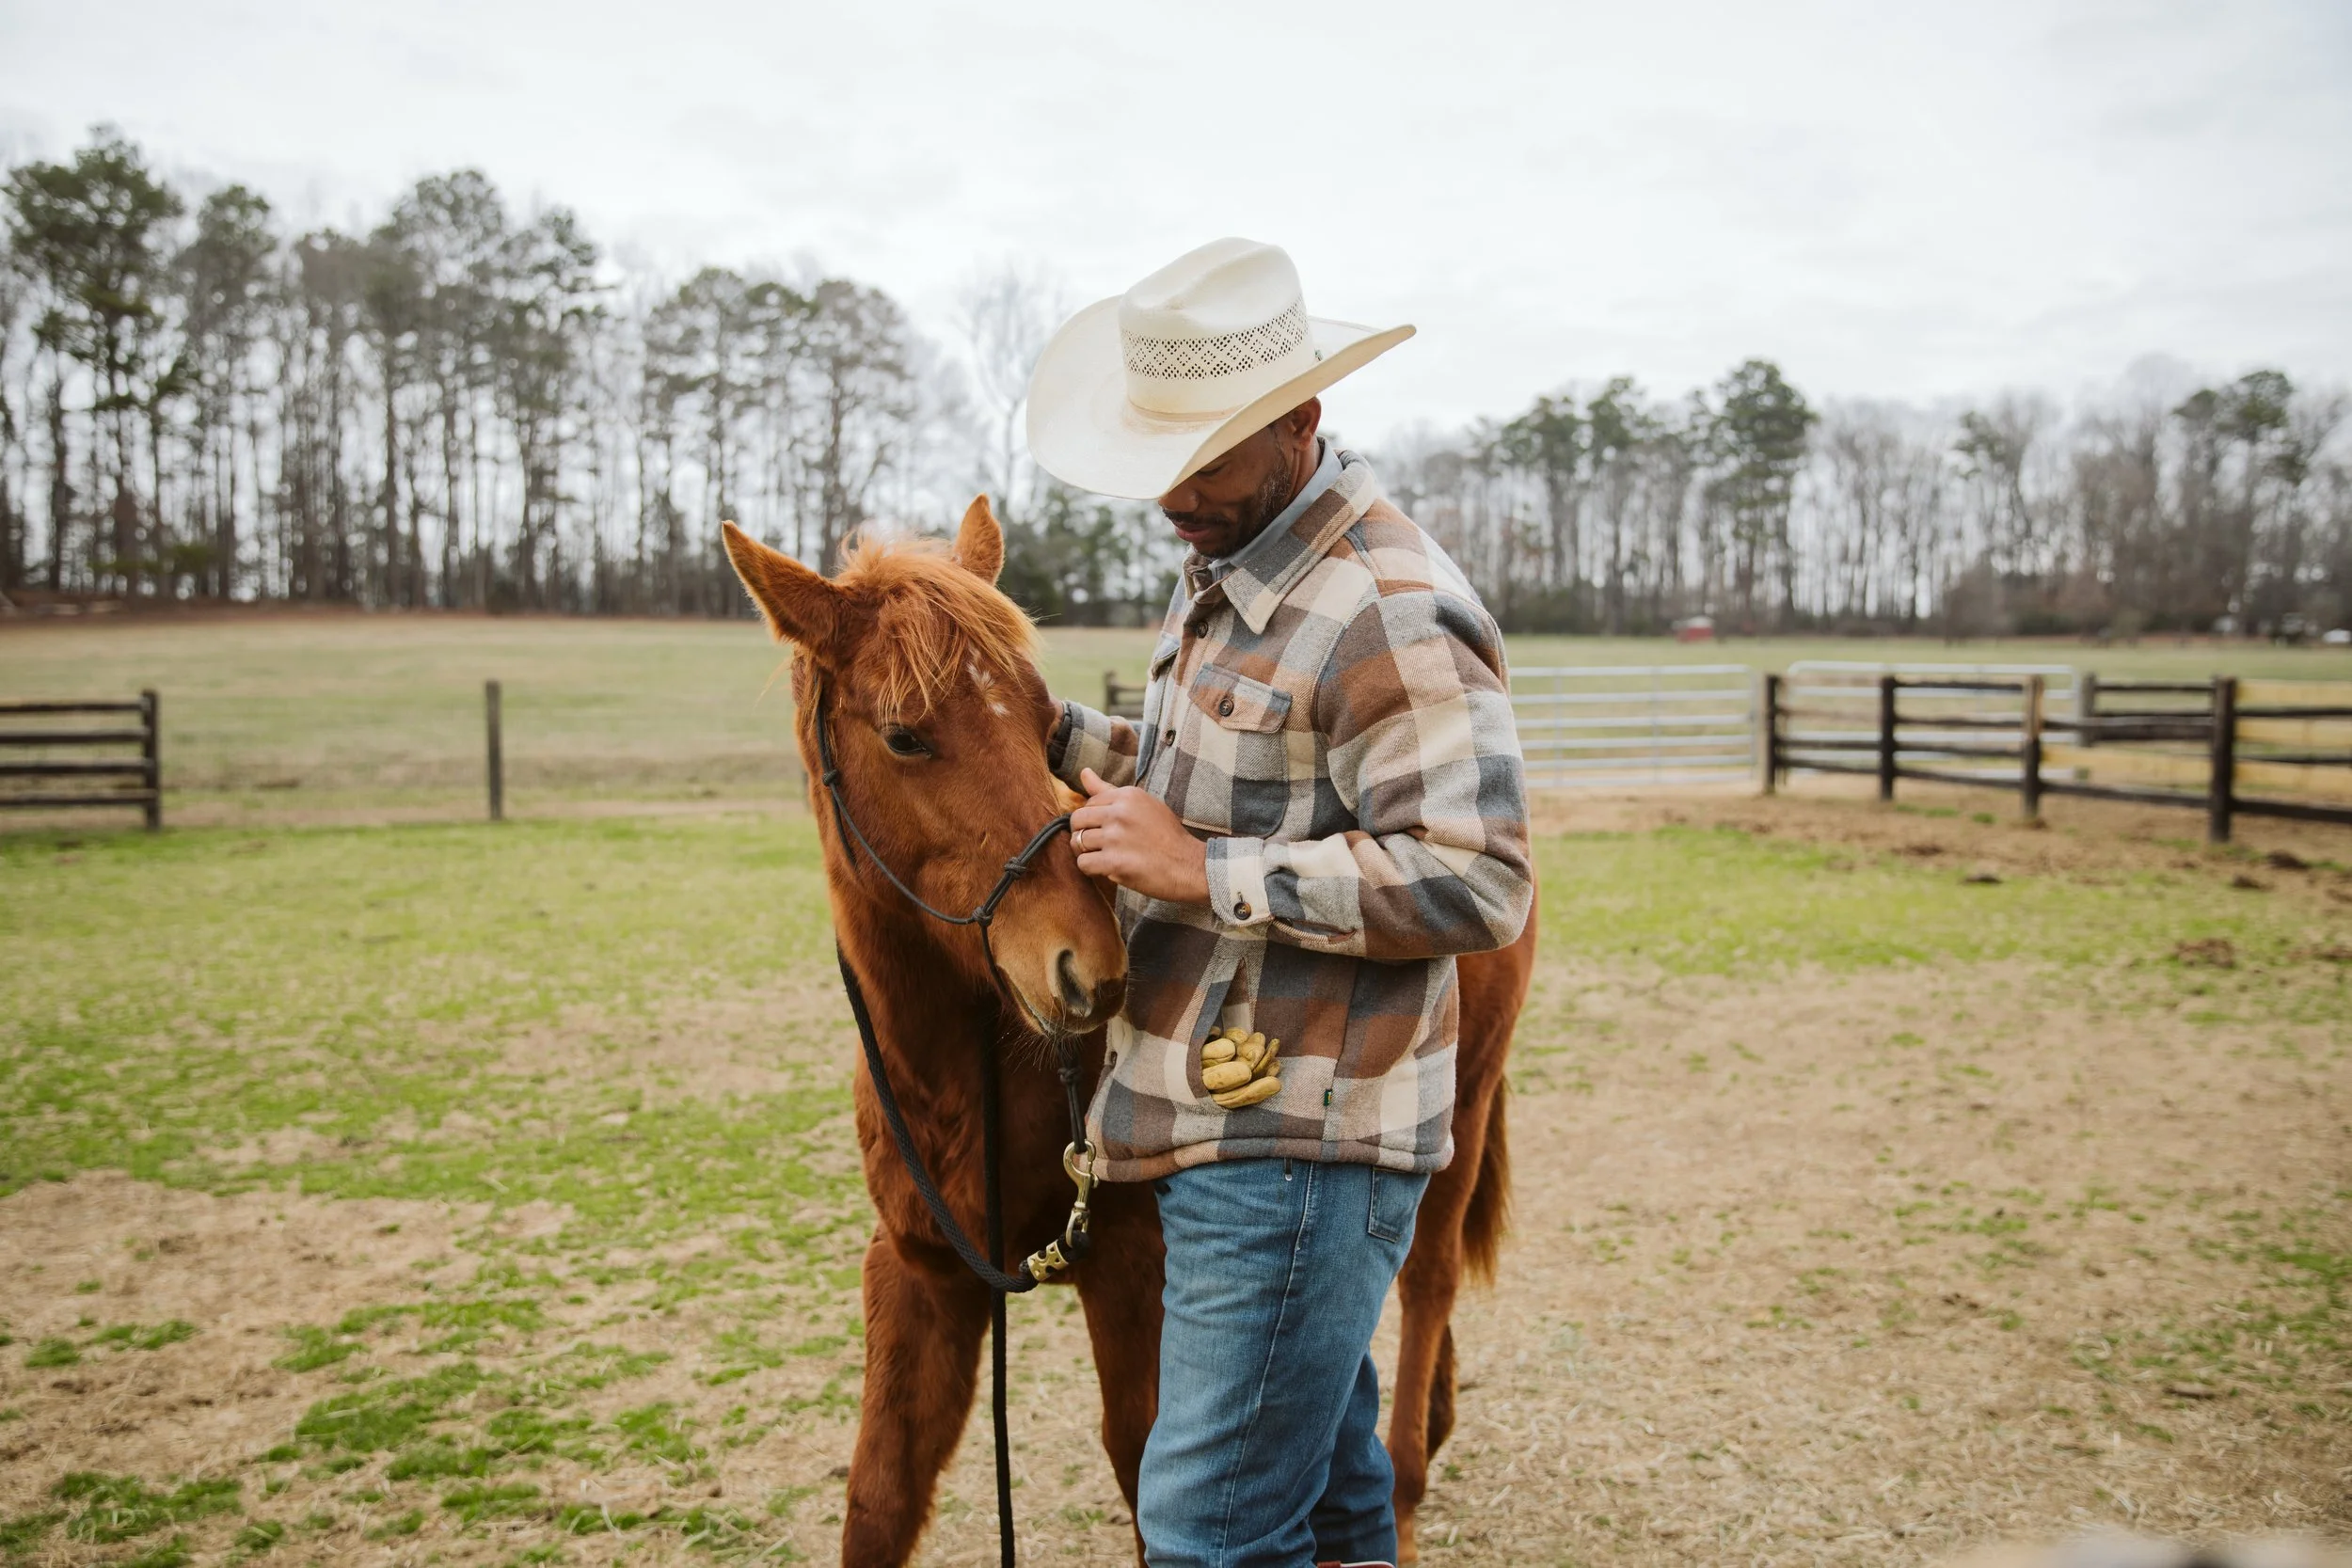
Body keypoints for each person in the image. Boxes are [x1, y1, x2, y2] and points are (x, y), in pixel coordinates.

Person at [1025, 237, 1534, 1568]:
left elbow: (1479, 877)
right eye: (1159, 458)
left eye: (1203, 456)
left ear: (1303, 419)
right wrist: (1061, 729)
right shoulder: (1233, 570)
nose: (1172, 495)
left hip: (1305, 1147)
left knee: (1207, 1527)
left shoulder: (1387, 608)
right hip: (1230, 1123)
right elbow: (1240, 780)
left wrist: (1205, 876)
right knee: (1327, 1486)